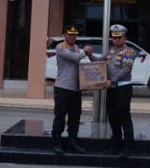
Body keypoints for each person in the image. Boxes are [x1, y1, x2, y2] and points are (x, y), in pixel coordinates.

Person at [51, 25, 93, 155]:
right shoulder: (61, 47)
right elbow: (75, 58)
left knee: (75, 117)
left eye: (75, 35)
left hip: (75, 89)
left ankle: (72, 141)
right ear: (64, 35)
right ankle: (57, 142)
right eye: (70, 34)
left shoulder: (75, 48)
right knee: (60, 116)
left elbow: (80, 64)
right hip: (63, 87)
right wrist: (85, 52)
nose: (73, 37)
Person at [103, 24, 137, 157]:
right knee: (113, 118)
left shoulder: (129, 51)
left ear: (125, 37)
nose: (116, 40)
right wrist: (89, 55)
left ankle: (129, 147)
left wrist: (113, 80)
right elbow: (99, 61)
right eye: (114, 38)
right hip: (111, 88)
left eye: (119, 37)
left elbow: (126, 70)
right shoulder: (111, 51)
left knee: (124, 118)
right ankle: (116, 145)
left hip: (123, 88)